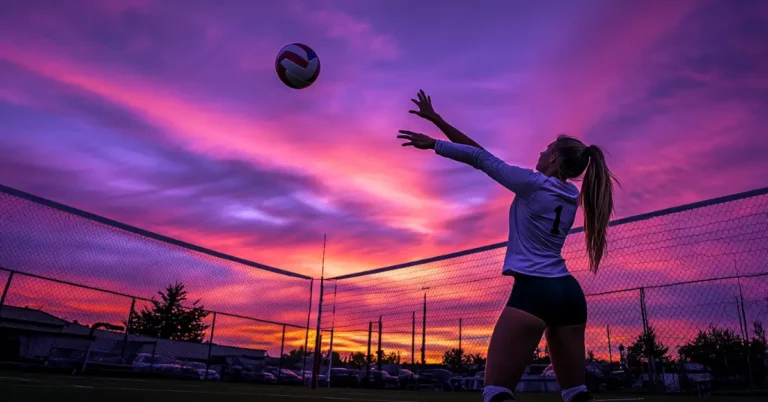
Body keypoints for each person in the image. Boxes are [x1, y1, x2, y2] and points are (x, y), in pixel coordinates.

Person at [397, 90, 618, 402]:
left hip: (535, 292)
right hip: (569, 294)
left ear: (554, 157)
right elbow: (482, 155)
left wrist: (433, 143)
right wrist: (438, 120)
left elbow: (480, 158)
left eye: (546, 149)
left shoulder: (533, 184)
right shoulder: (570, 197)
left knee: (497, 392)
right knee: (576, 394)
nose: (541, 152)